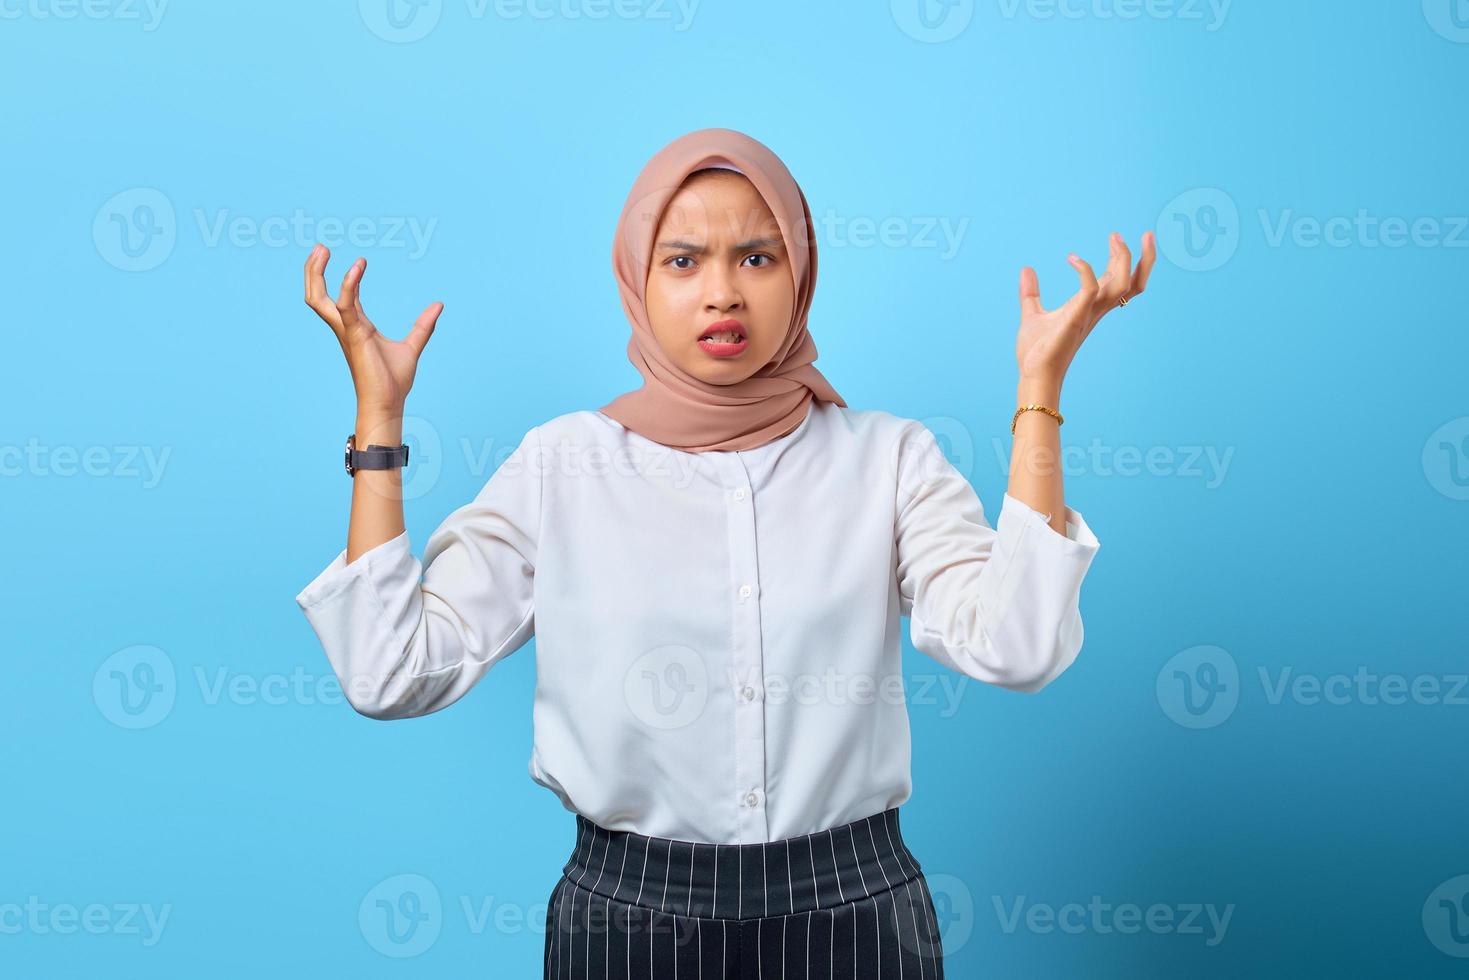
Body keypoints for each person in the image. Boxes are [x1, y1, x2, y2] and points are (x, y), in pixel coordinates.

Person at [295, 127, 1155, 978]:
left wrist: (1038, 393)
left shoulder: (886, 458)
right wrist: (379, 423)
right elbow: (389, 671)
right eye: (682, 261)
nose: (722, 294)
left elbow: (1019, 646)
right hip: (626, 920)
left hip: (854, 914)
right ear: (635, 277)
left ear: (801, 274)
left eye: (756, 257)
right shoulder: (563, 465)